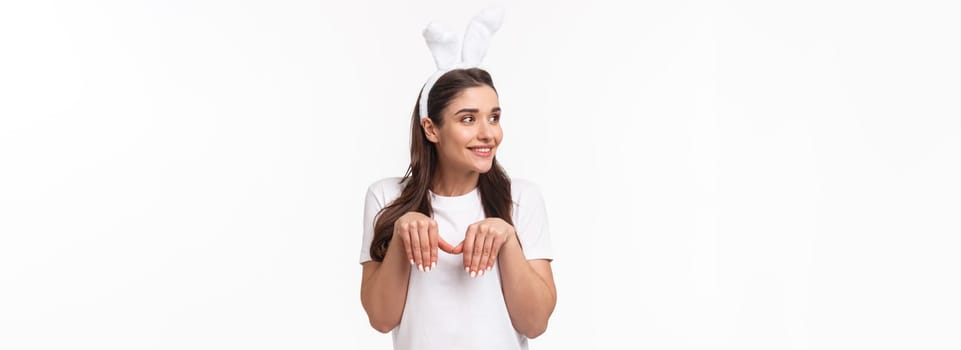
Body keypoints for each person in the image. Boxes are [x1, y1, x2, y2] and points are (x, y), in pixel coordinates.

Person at [357, 7, 556, 350]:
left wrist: (507, 239)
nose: (488, 133)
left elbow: (535, 323)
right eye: (468, 119)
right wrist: (403, 233)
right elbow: (381, 318)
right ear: (431, 129)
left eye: (493, 117)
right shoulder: (386, 196)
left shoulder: (521, 198)